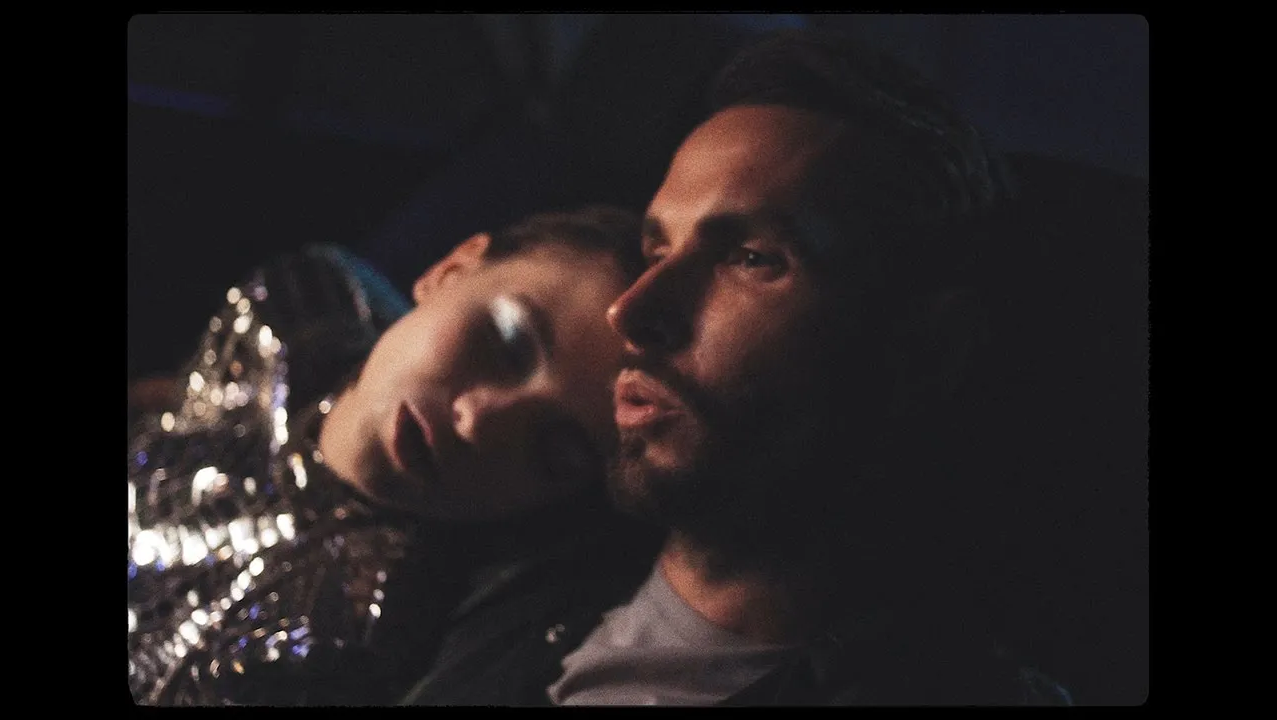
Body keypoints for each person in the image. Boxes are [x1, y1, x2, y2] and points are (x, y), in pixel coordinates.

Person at [405, 28, 1100, 706]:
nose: (633, 311)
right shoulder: (513, 553)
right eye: (656, 253)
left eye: (751, 259)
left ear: (926, 349)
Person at [127, 205, 660, 705]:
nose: (479, 420)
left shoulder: (347, 639)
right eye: (506, 343)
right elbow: (191, 404)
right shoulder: (301, 304)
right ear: (450, 271)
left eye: (554, 452)